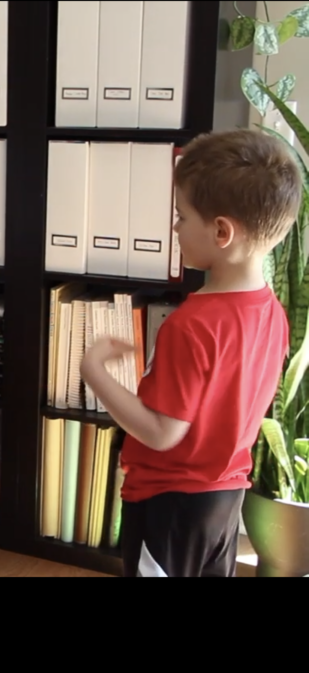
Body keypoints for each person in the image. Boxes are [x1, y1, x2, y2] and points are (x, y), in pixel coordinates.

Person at [80, 129, 300, 577]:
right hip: (225, 499)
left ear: (221, 231)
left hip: (168, 504)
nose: (176, 227)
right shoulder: (273, 312)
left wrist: (94, 371)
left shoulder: (192, 325)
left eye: (181, 217)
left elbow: (162, 433)